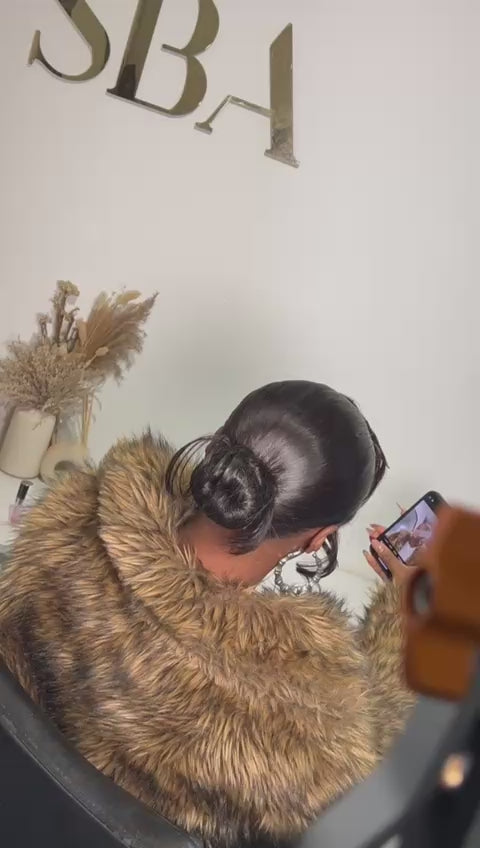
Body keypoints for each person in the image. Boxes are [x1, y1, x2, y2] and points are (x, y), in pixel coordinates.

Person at [0, 381, 415, 848]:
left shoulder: (70, 520)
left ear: (219, 453)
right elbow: (370, 781)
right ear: (318, 538)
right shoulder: (306, 723)